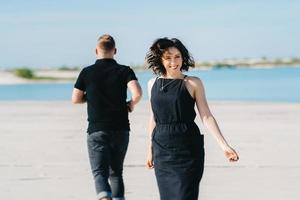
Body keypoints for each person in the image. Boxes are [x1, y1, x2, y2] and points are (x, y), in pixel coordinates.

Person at [146, 37, 239, 200]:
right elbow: (154, 117)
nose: (173, 62)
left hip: (188, 149)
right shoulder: (152, 84)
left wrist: (224, 145)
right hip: (162, 149)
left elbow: (206, 116)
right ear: (160, 59)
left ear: (183, 58)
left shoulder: (192, 83)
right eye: (168, 58)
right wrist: (150, 149)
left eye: (177, 56)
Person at [72, 34, 142, 200]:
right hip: (121, 129)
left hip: (97, 129)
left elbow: (75, 99)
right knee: (116, 173)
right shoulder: (125, 70)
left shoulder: (87, 72)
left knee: (99, 173)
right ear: (115, 51)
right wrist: (130, 104)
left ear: (96, 51)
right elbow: (137, 93)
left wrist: (91, 98)